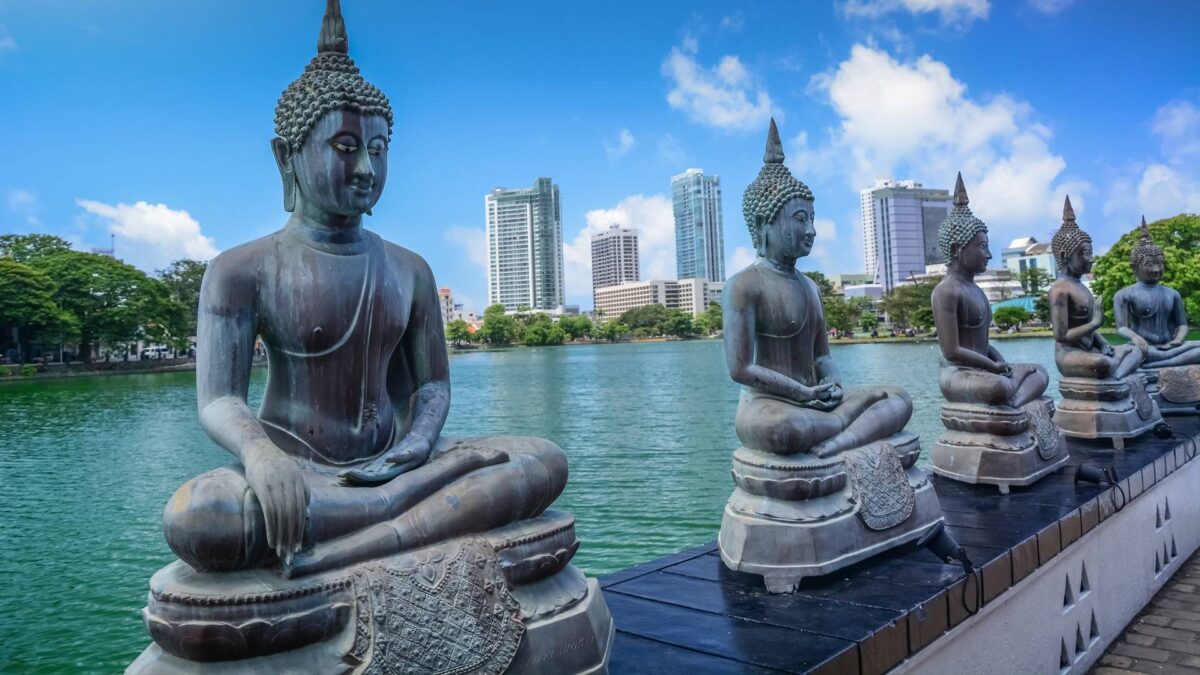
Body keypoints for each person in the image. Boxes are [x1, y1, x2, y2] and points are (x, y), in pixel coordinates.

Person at [163, 0, 567, 579]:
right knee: (202, 517)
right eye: (346, 148)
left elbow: (432, 386)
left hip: (398, 464)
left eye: (378, 151)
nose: (366, 170)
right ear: (287, 156)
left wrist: (418, 444)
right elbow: (219, 400)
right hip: (296, 470)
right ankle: (404, 523)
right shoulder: (242, 269)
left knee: (544, 461)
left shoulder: (410, 268)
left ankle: (355, 539)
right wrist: (260, 455)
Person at [723, 119, 914, 459]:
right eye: (800, 219)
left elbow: (822, 356)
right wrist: (801, 394)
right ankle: (847, 429)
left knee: (898, 398)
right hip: (769, 406)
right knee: (783, 430)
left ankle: (839, 439)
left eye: (812, 219)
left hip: (815, 400)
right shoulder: (744, 284)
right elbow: (741, 370)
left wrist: (834, 385)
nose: (811, 230)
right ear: (764, 224)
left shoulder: (810, 286)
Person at [931, 174, 1049, 409]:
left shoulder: (976, 290)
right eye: (982, 247)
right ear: (956, 249)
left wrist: (1002, 363)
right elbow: (952, 351)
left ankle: (1014, 403)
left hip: (983, 369)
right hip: (958, 374)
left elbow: (982, 344)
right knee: (998, 387)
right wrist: (993, 367)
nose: (989, 255)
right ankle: (1011, 396)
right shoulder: (945, 291)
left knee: (1040, 373)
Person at [1048, 197, 1142, 380]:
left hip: (1091, 349)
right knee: (1101, 363)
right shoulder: (1059, 290)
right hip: (1068, 354)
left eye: (1091, 252)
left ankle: (1115, 376)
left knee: (1134, 350)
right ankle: (1115, 374)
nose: (1092, 259)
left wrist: (1104, 344)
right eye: (1086, 253)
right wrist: (1095, 323)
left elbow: (1090, 332)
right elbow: (1061, 336)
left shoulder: (1081, 287)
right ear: (1064, 256)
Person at [1114, 218, 1200, 368]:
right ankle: (1165, 362)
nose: (1156, 269)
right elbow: (1121, 327)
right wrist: (1135, 337)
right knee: (1132, 352)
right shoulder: (1124, 294)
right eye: (1149, 264)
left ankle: (1158, 364)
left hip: (1170, 347)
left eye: (1160, 264)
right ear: (1134, 267)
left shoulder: (1172, 294)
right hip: (1144, 348)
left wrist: (1177, 340)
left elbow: (1182, 324)